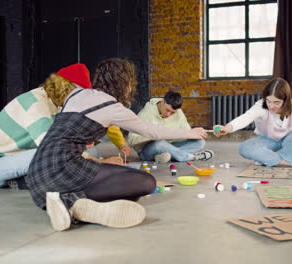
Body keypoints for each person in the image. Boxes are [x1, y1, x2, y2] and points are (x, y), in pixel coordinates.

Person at [27, 58, 207, 231]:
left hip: (37, 176)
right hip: (66, 168)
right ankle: (73, 203)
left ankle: (73, 204)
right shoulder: (113, 107)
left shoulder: (76, 94)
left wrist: (102, 163)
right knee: (145, 182)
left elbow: (65, 139)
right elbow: (151, 131)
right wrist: (189, 132)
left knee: (122, 181)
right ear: (125, 83)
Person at [0, 63, 93, 189]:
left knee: (91, 153)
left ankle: (24, 180)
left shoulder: (56, 105)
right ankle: (32, 180)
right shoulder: (36, 104)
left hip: (18, 159)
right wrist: (101, 162)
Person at [214, 77, 292, 168]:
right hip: (268, 142)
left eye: (276, 102)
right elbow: (246, 118)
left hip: (289, 141)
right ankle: (290, 163)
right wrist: (227, 128)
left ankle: (268, 160)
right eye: (268, 101)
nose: (271, 106)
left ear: (285, 100)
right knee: (245, 148)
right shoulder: (260, 106)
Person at [127, 90, 214, 163]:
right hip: (148, 150)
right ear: (163, 102)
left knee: (200, 142)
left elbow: (186, 132)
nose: (168, 114)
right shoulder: (146, 114)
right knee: (160, 144)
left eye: (173, 112)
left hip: (169, 145)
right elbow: (132, 140)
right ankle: (189, 157)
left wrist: (194, 135)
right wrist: (156, 136)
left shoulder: (178, 113)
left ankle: (165, 156)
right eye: (167, 110)